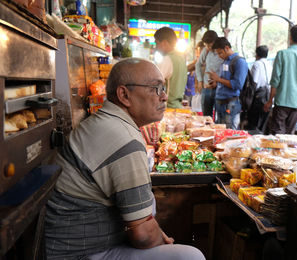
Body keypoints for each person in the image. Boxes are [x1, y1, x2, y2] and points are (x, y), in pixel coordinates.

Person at [44, 58, 205, 260]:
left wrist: (155, 234)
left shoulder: (108, 122)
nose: (164, 96)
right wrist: (160, 241)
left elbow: (143, 225)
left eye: (163, 88)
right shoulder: (124, 140)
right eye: (155, 88)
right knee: (190, 256)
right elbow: (143, 235)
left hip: (78, 242)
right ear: (124, 95)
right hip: (79, 253)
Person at [263, 24, 297, 135]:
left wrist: (270, 100)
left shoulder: (282, 54)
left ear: (290, 37)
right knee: (290, 135)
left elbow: (275, 80)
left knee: (278, 135)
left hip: (282, 102)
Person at [207, 37, 248, 130]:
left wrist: (218, 79)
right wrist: (216, 82)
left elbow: (238, 84)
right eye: (217, 54)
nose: (219, 56)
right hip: (220, 101)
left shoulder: (239, 62)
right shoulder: (225, 61)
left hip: (230, 102)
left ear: (227, 48)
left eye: (220, 53)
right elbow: (225, 80)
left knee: (229, 131)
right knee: (220, 130)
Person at [154, 27, 188, 108]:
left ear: (164, 43)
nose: (156, 47)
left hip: (169, 107)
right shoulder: (181, 59)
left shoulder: (167, 59)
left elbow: (154, 82)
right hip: (179, 106)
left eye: (157, 43)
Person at [195, 30, 224, 117]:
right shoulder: (206, 51)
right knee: (206, 116)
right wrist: (200, 81)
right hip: (207, 88)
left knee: (219, 116)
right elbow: (198, 65)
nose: (208, 47)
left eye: (210, 44)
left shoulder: (223, 51)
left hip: (219, 88)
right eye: (206, 45)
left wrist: (218, 82)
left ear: (215, 41)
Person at [248, 45, 270, 132]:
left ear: (256, 54)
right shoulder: (269, 64)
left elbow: (254, 81)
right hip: (268, 95)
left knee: (254, 122)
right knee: (263, 123)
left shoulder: (256, 64)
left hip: (258, 96)